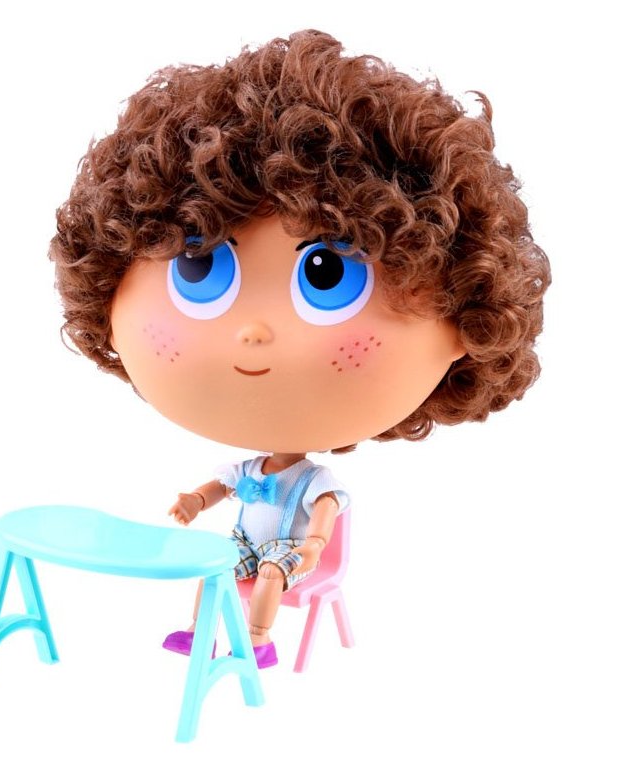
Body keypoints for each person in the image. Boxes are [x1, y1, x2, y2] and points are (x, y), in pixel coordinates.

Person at [50, 30, 549, 668]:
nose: (254, 331)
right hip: (244, 547)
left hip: (285, 558)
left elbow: (321, 522)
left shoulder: (318, 482)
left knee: (268, 575)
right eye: (200, 266)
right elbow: (216, 489)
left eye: (327, 274)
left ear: (465, 320)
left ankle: (257, 640)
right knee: (213, 566)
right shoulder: (248, 472)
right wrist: (193, 500)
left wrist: (313, 548)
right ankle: (203, 631)